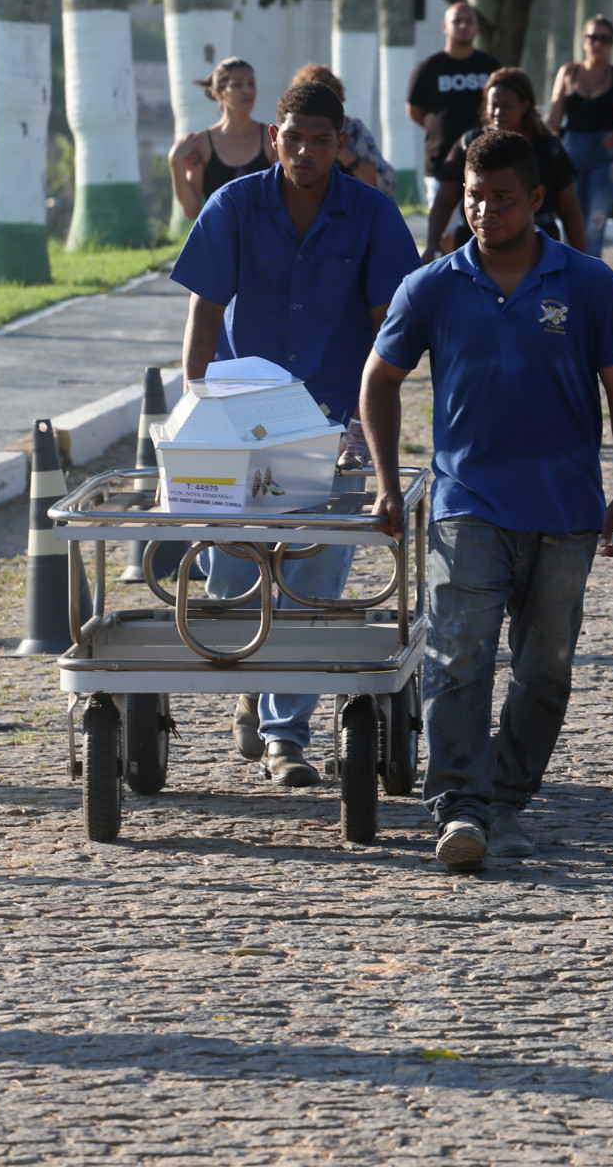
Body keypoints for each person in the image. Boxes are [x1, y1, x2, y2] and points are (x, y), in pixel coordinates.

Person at [361, 129, 613, 870]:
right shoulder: (432, 285)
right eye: (473, 196)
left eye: (501, 198)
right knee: (458, 656)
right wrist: (389, 481)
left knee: (545, 668)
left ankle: (507, 798)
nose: (484, 211)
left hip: (567, 510)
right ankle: (459, 805)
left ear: (536, 201)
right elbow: (380, 380)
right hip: (469, 503)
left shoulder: (587, 283)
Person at [168, 81, 421, 784]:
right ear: (274, 136)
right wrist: (195, 407)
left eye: (320, 139)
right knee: (232, 565)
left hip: (332, 420)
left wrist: (370, 430)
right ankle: (245, 682)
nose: (305, 151)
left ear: (341, 144)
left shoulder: (371, 215)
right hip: (237, 417)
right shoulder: (234, 205)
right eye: (293, 137)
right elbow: (205, 309)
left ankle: (287, 736)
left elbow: (388, 330)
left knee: (313, 572)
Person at [423, 67, 586, 261]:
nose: (498, 112)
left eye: (507, 105)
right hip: (477, 244)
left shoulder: (548, 148)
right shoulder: (469, 144)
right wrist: (432, 243)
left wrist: (581, 258)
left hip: (536, 248)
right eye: (494, 104)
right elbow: (445, 199)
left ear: (525, 105)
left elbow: (569, 209)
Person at [547, 14, 613, 256]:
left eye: (604, 39)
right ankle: (567, 283)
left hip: (606, 157)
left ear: (612, 44)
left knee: (594, 226)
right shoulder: (569, 72)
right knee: (570, 221)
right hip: (572, 152)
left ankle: (591, 284)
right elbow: (553, 122)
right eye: (592, 37)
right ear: (584, 41)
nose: (597, 43)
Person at [407, 3, 502, 207]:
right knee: (444, 232)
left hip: (486, 162)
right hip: (441, 162)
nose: (463, 26)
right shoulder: (429, 68)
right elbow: (414, 110)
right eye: (457, 21)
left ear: (476, 28)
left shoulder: (491, 67)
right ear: (444, 27)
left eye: (469, 21)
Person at [168, 57, 273, 221]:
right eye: (237, 85)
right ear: (219, 92)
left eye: (251, 83)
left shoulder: (271, 137)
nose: (248, 90)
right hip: (220, 241)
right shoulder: (202, 144)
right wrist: (175, 162)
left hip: (263, 240)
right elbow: (191, 211)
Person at [289, 63, 396, 195]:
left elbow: (388, 183)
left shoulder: (352, 129)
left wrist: (348, 157)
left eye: (328, 101)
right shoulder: (289, 130)